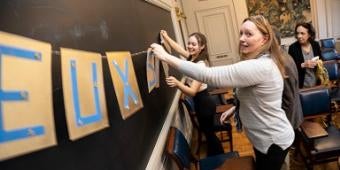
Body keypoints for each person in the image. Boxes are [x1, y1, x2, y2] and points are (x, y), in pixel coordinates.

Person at [151, 15, 294, 170]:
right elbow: (257, 97)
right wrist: (236, 108)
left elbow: (209, 75)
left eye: (249, 34)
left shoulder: (261, 66)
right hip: (265, 141)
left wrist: (166, 57)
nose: (241, 38)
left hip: (273, 142)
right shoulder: (259, 62)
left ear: (265, 39)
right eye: (241, 33)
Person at [161, 30, 225, 156]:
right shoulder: (192, 58)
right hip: (202, 103)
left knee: (209, 134)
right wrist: (167, 37)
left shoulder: (200, 65)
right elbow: (179, 49)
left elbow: (193, 91)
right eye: (189, 43)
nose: (190, 46)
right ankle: (215, 156)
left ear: (201, 47)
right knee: (208, 132)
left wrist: (177, 83)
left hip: (204, 104)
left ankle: (219, 158)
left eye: (194, 44)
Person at [274, 28, 303, 170]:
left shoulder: (282, 62)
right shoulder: (281, 56)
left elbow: (289, 98)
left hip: (286, 119)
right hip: (288, 118)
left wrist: (284, 125)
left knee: (283, 162)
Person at [288, 22, 323, 88]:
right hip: (301, 85)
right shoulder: (292, 48)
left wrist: (318, 62)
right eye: (297, 33)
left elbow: (321, 60)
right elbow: (290, 68)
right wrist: (303, 65)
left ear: (309, 34)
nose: (299, 36)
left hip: (317, 83)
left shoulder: (315, 45)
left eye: (302, 33)